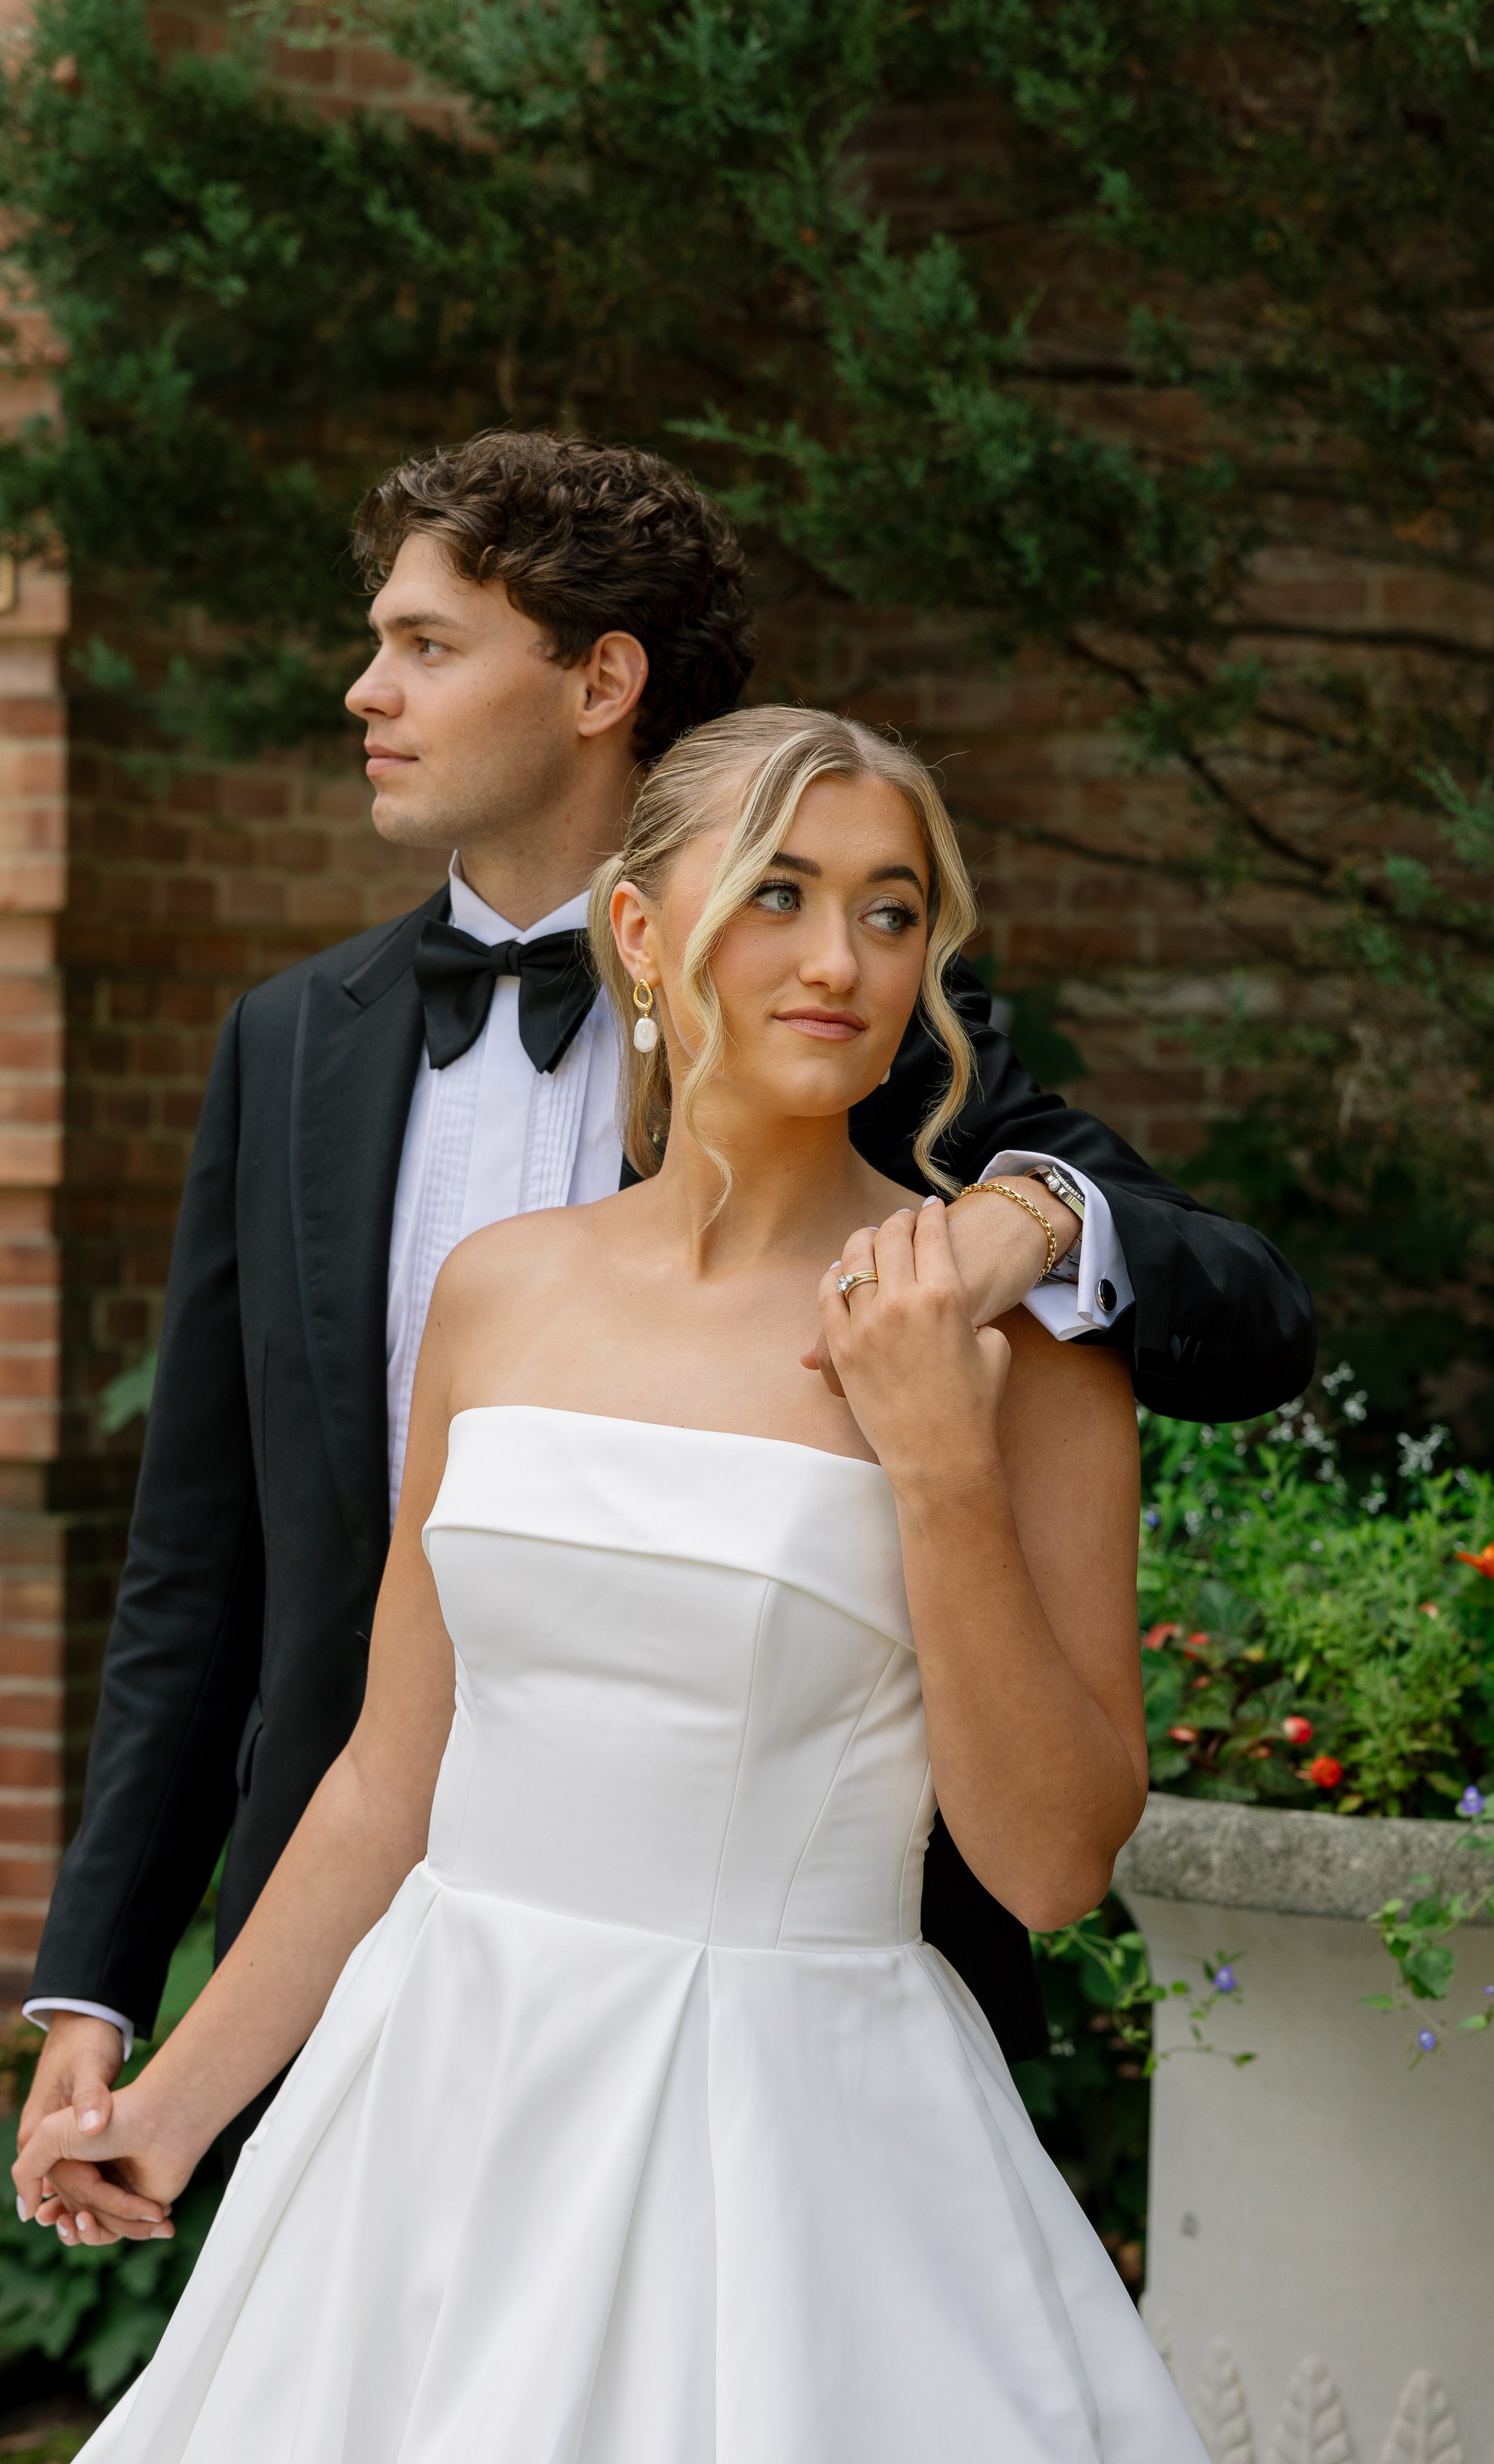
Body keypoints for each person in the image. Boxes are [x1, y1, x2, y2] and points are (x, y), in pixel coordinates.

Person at [19, 429, 1314, 2222]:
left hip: (803, 2072)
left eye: (425, 642)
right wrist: (115, 1997)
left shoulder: (918, 1103)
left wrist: (1016, 1232)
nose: (365, 687)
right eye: (776, 897)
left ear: (595, 682)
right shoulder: (305, 1056)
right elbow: (208, 1564)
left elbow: (1230, 1299)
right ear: (647, 932)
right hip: (390, 1998)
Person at [17, 706, 1212, 2461]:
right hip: (434, 2104)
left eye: (892, 912)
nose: (840, 959)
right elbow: (389, 1774)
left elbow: (1048, 1870)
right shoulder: (498, 1291)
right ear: (642, 937)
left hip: (801, 2154)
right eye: (779, 894)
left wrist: (939, 1463)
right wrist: (175, 2108)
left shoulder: (1020, 1350)